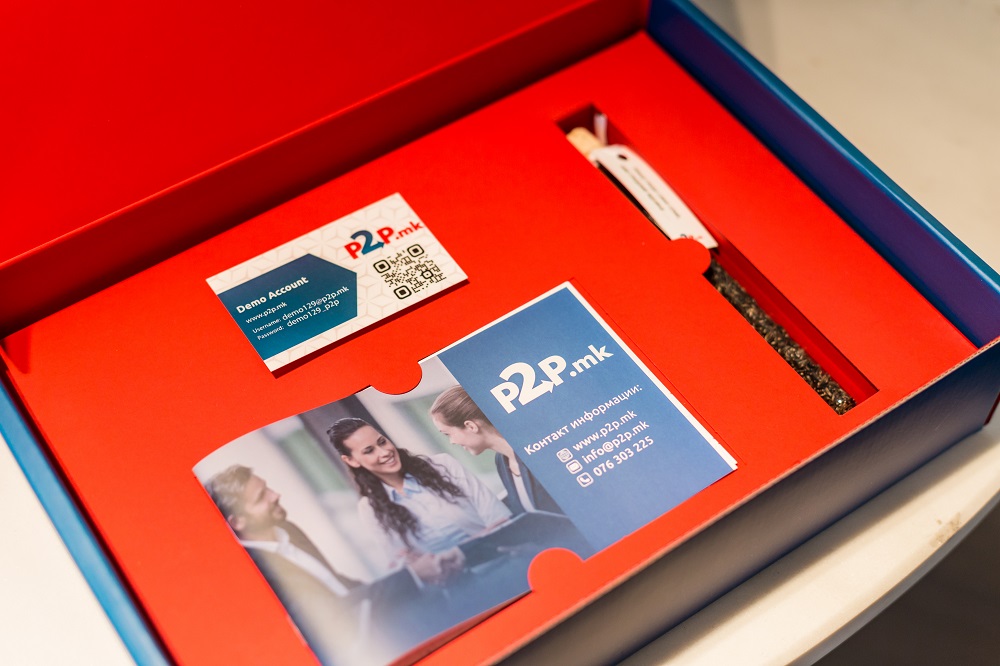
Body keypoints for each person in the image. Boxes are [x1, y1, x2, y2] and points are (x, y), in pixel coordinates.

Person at [204, 465, 460, 665]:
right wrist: (412, 576)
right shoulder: (251, 573)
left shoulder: (288, 529)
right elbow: (327, 613)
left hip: (372, 625)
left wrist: (405, 572)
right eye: (261, 497)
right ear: (237, 522)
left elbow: (336, 585)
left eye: (267, 488)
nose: (275, 495)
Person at [328, 418, 511, 563]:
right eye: (369, 451)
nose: (384, 452)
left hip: (503, 558)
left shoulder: (443, 465)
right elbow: (405, 566)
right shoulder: (369, 508)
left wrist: (456, 555)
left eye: (382, 442)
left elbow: (500, 519)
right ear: (351, 460)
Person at [430, 385, 562, 515]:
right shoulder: (502, 461)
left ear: (471, 426)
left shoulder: (537, 449)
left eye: (447, 434)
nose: (452, 442)